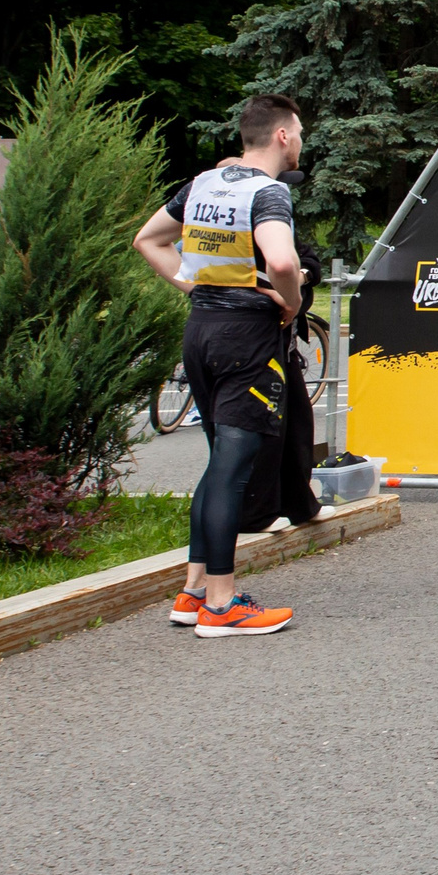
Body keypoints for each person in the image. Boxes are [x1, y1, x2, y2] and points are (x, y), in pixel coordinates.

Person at [133, 93, 307, 636]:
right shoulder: (269, 193)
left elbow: (148, 239)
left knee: (217, 465)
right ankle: (223, 604)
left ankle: (192, 593)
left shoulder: (203, 184)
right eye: (298, 131)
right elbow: (280, 260)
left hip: (202, 331)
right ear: (281, 136)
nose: (302, 140)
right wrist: (292, 300)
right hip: (247, 341)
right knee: (233, 470)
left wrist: (196, 285)